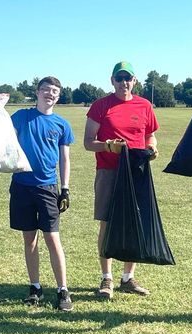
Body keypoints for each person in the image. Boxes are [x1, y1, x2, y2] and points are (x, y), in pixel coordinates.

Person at [83, 61, 159, 300]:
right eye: (119, 78)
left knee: (134, 223)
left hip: (136, 171)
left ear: (134, 81)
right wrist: (108, 146)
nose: (124, 83)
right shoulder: (101, 106)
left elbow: (150, 135)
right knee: (107, 223)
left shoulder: (144, 105)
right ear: (112, 80)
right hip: (109, 171)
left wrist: (152, 148)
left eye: (128, 78)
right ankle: (107, 278)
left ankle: (128, 277)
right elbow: (87, 141)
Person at [8, 76, 74, 311]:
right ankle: (35, 287)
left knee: (52, 238)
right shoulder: (21, 116)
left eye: (55, 90)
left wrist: (64, 188)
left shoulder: (61, 124)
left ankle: (62, 289)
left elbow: (64, 158)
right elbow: (0, 129)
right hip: (21, 185)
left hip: (47, 187)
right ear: (37, 92)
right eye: (46, 89)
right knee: (30, 239)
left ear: (59, 95)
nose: (50, 93)